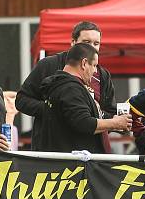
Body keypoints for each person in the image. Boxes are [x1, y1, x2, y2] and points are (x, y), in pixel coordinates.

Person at [16, 21, 116, 149]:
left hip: (90, 151)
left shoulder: (103, 75)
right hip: (54, 149)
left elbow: (110, 111)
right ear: (73, 43)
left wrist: (92, 119)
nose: (91, 47)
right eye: (86, 42)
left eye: (96, 43)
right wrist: (54, 110)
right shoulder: (48, 65)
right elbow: (21, 100)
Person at [35, 43, 131, 152]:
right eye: (94, 65)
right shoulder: (71, 88)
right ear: (84, 63)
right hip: (76, 164)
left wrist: (112, 121)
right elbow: (83, 123)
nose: (95, 71)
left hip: (65, 161)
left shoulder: (61, 85)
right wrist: (115, 123)